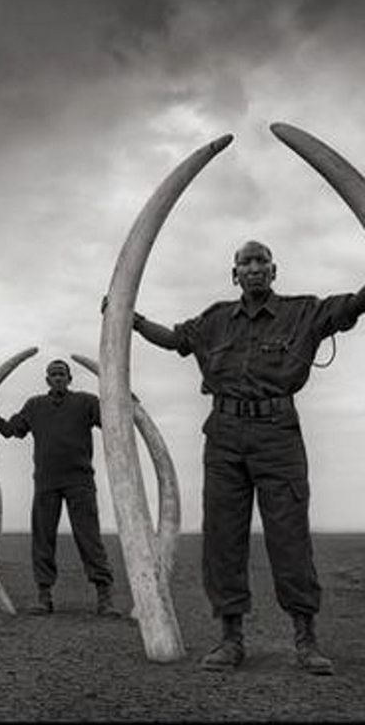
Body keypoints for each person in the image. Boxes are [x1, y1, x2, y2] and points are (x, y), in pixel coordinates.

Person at [129, 239, 365, 675]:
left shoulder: (304, 312)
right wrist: (132, 319)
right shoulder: (215, 320)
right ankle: (230, 639)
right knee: (222, 536)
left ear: (275, 270)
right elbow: (174, 339)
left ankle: (305, 640)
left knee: (289, 533)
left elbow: (351, 307)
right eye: (245, 262)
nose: (254, 268)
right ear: (234, 273)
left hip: (278, 435)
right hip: (223, 437)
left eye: (261, 261)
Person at [0, 359, 121, 617]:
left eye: (62, 374)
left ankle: (105, 597)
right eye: (53, 374)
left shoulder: (86, 402)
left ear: (70, 379)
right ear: (46, 380)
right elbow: (8, 430)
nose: (58, 378)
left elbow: (114, 422)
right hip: (46, 482)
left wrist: (124, 397)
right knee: (43, 538)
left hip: (80, 482)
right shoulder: (35, 406)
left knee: (89, 537)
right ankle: (44, 596)